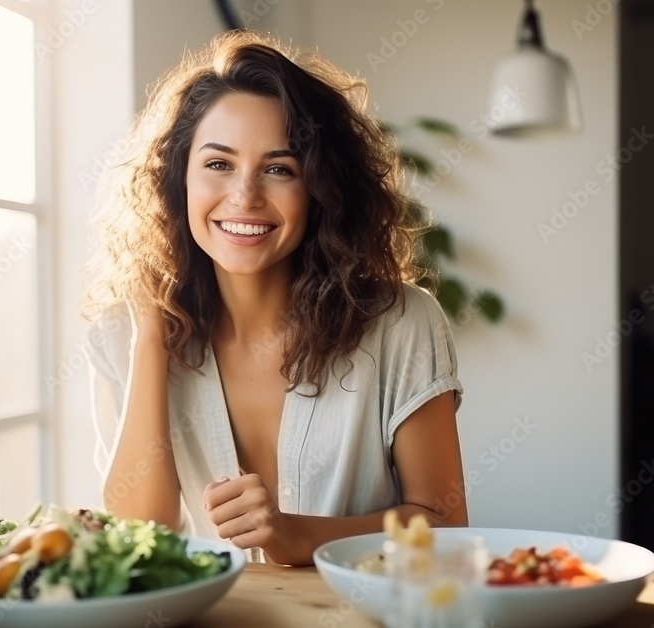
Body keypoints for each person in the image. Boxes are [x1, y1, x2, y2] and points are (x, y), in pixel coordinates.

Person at [82, 31, 467, 566]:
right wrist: (150, 335)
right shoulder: (121, 331)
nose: (245, 196)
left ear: (320, 188)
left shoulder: (401, 322)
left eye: (279, 168)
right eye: (218, 164)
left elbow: (443, 521)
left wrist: (298, 536)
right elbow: (142, 531)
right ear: (178, 182)